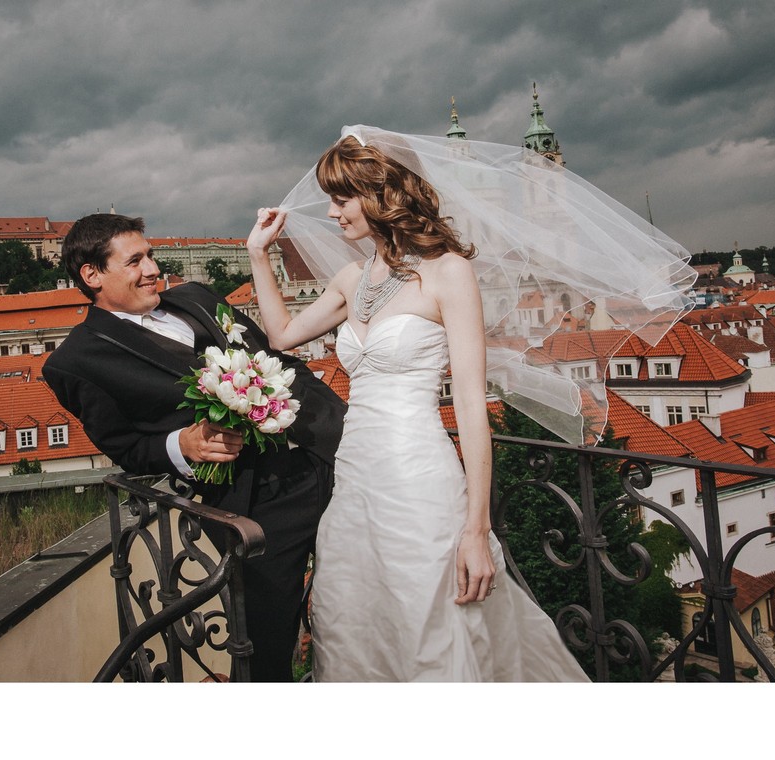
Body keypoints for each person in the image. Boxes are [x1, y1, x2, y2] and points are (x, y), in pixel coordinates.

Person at [246, 135, 594, 681]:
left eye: (342, 199)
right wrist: (257, 254)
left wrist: (476, 531)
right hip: (354, 484)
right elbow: (282, 333)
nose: (332, 213)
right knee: (352, 622)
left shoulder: (448, 271)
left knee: (429, 629)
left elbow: (474, 410)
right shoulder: (351, 279)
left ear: (379, 194)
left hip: (418, 482)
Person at [43, 213, 346, 682]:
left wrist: (336, 420)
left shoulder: (197, 297)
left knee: (367, 594)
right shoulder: (76, 361)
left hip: (330, 455)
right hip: (257, 508)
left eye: (150, 255)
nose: (153, 269)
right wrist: (182, 444)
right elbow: (127, 448)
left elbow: (275, 356)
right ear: (92, 275)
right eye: (135, 261)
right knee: (267, 642)